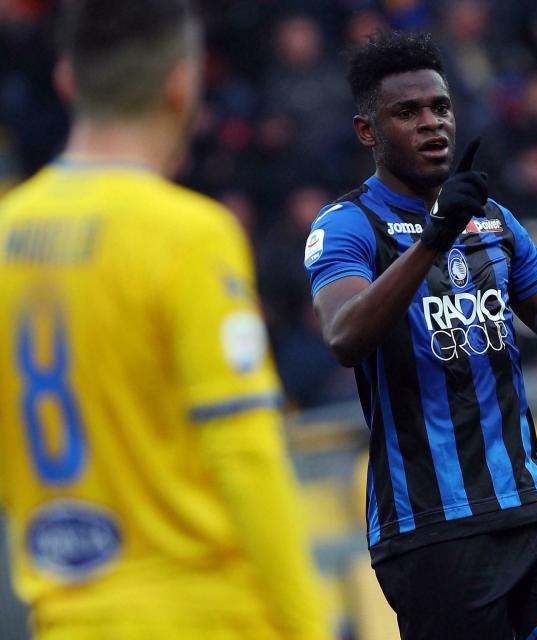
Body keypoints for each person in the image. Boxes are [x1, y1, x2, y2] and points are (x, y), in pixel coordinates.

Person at [0, 1, 329, 638]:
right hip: (206, 616)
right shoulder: (188, 235)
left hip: (68, 616)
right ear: (181, 83)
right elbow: (244, 453)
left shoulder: (8, 234)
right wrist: (308, 627)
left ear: (68, 79)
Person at [305, 31, 537, 640]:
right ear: (367, 132)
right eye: (407, 113)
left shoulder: (494, 222)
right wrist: (434, 235)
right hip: (433, 527)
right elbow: (344, 335)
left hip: (536, 507)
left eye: (440, 107)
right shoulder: (347, 225)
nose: (431, 123)